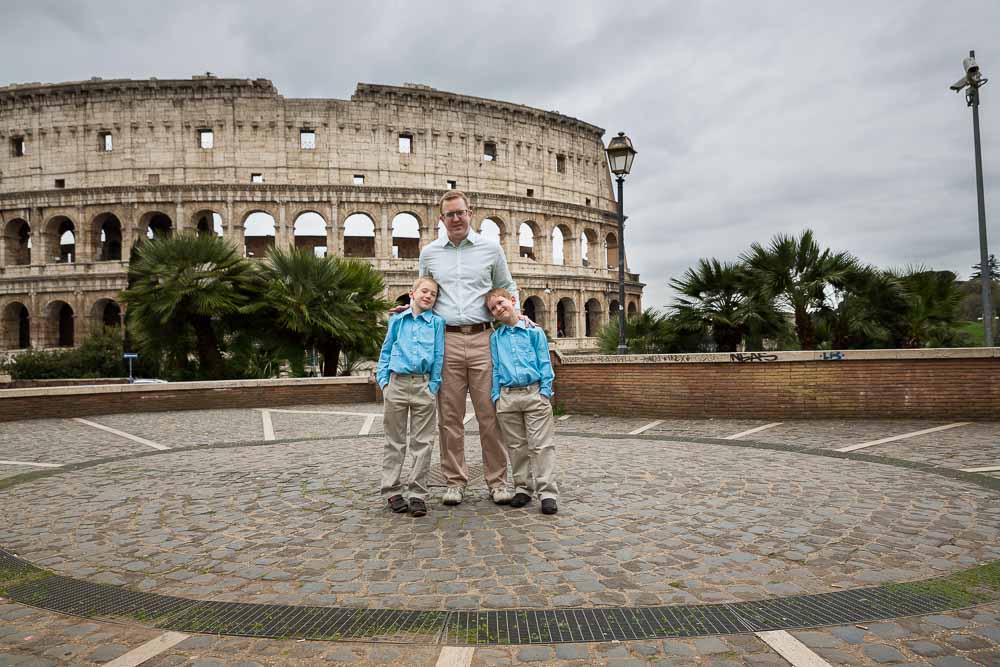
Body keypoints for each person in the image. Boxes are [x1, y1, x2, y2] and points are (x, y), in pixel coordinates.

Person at [418, 190, 516, 506]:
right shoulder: (429, 254)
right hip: (445, 340)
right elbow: (424, 293)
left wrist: (512, 317)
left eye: (460, 212)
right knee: (450, 417)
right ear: (441, 219)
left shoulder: (491, 249)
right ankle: (454, 481)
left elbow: (507, 286)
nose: (456, 218)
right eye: (450, 214)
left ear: (470, 213)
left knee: (490, 414)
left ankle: (498, 481)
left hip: (483, 338)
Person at [376, 276, 445, 517]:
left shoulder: (437, 323)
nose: (428, 296)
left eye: (433, 294)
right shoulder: (396, 321)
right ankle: (392, 491)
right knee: (394, 441)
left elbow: (438, 355)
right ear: (412, 293)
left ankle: (417, 493)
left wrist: (433, 385)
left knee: (423, 442)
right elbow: (386, 350)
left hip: (423, 385)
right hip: (396, 383)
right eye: (424, 291)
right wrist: (384, 381)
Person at [486, 287, 559, 515]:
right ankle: (523, 489)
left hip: (533, 393)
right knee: (516, 447)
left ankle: (547, 492)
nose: (498, 309)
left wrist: (545, 391)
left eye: (500, 303)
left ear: (513, 300)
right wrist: (497, 396)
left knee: (541, 446)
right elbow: (496, 368)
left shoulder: (533, 332)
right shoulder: (495, 338)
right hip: (507, 397)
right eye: (493, 308)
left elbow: (545, 363)